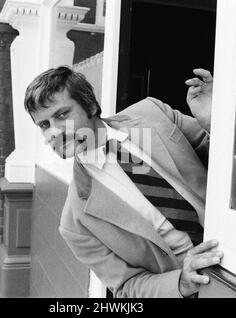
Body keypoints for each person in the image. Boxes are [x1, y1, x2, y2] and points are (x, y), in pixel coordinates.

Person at [24, 66, 223, 298]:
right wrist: (182, 282)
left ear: (89, 105)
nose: (55, 132)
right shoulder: (75, 224)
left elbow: (227, 161)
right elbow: (127, 287)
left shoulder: (152, 112)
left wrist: (213, 121)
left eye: (62, 115)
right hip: (203, 287)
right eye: (44, 125)